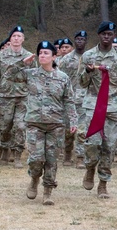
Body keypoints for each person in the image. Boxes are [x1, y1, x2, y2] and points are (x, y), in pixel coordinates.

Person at [78, 21, 117, 198]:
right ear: (99, 35)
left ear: (113, 36)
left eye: (110, 34)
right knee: (92, 143)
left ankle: (103, 184)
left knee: (109, 146)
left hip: (113, 106)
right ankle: (89, 168)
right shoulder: (88, 56)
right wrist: (87, 72)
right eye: (104, 34)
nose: (107, 37)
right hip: (93, 105)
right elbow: (81, 83)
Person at [23, 41, 77, 205]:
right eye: (40, 53)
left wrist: (73, 119)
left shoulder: (62, 78)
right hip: (35, 123)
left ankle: (48, 191)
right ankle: (34, 179)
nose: (42, 55)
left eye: (46, 53)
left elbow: (69, 100)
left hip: (56, 124)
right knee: (36, 158)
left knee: (52, 160)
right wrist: (22, 64)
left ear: (54, 57)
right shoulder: (30, 74)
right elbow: (8, 76)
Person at [0, 26, 31, 167]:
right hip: (5, 96)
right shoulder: (1, 56)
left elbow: (34, 78)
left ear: (23, 39)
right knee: (5, 126)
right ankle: (4, 148)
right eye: (14, 36)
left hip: (22, 97)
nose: (16, 38)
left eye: (19, 36)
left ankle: (17, 154)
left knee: (20, 126)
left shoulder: (29, 57)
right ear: (10, 39)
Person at [57, 30, 87, 166]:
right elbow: (58, 78)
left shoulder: (90, 58)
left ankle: (80, 157)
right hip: (68, 100)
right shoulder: (66, 59)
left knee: (82, 130)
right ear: (74, 42)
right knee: (69, 131)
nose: (80, 41)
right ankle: (68, 153)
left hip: (84, 100)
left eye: (82, 39)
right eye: (78, 39)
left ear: (86, 41)